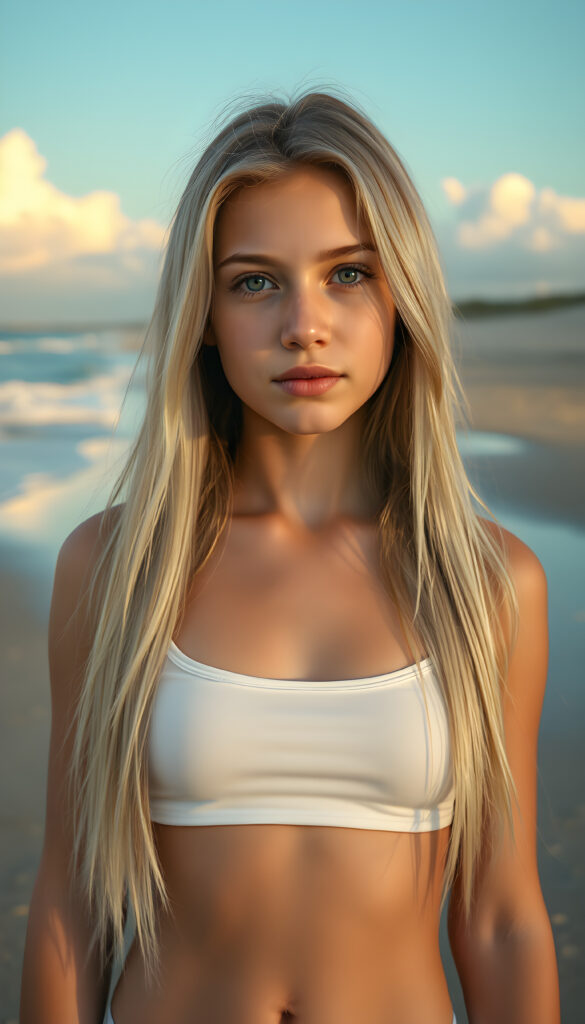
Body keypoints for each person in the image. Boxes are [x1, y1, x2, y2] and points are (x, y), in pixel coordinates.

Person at [20, 89, 560, 1024]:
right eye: (254, 281)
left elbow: (503, 917)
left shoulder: (488, 583)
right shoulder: (113, 568)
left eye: (348, 274)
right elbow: (71, 906)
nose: (302, 324)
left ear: (403, 297)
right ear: (203, 314)